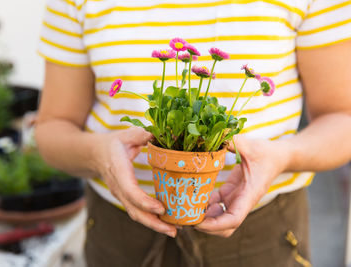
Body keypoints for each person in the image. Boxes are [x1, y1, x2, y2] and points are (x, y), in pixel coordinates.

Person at [35, 0, 351, 266]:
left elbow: (342, 118)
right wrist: (98, 155)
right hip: (121, 234)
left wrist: (283, 156)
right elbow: (52, 128)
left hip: (262, 233)